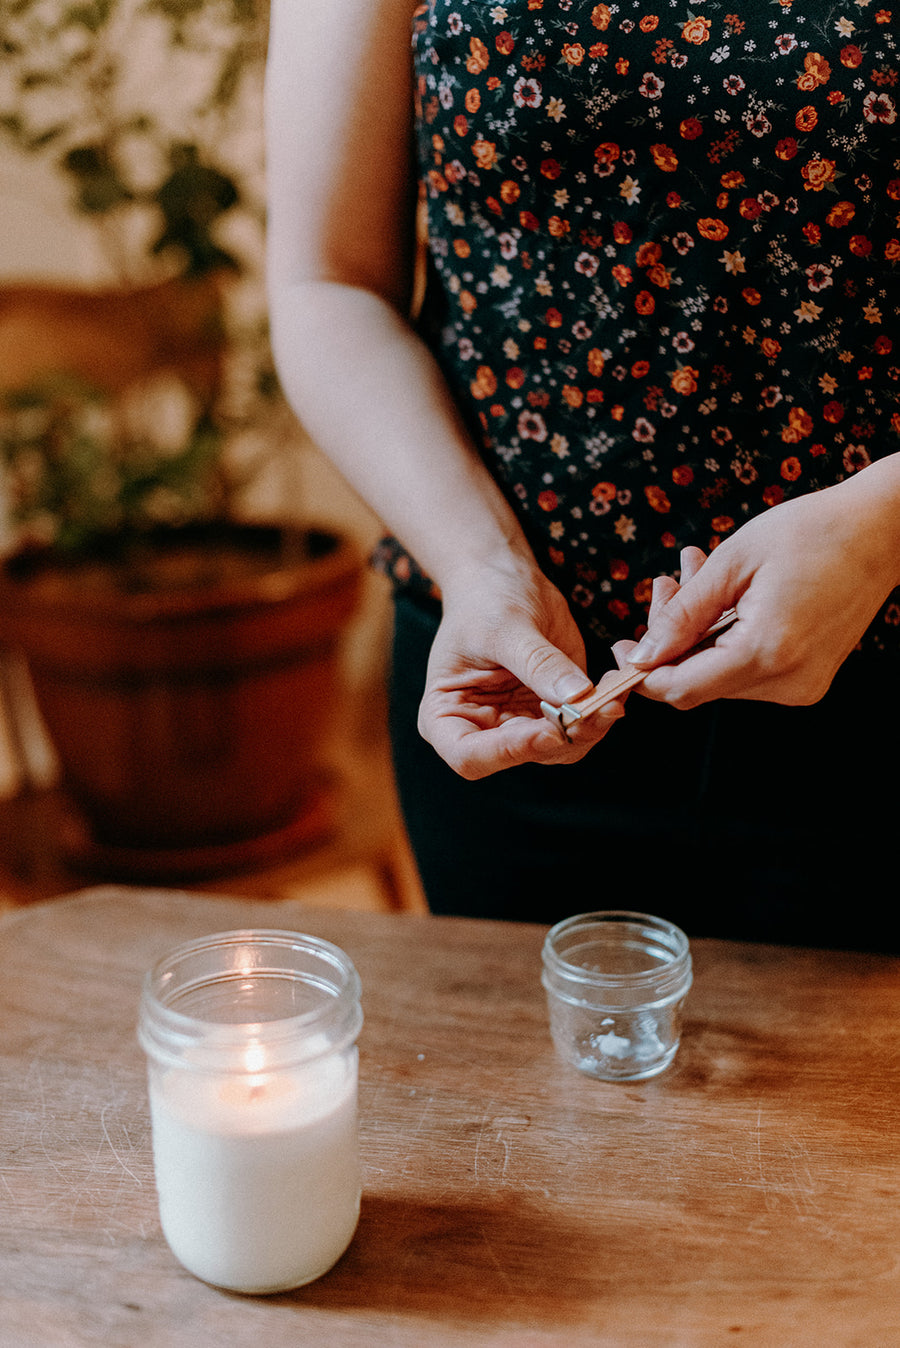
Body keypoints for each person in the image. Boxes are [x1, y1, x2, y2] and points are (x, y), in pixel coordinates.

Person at [265, 0, 900, 949]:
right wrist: (480, 566)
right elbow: (328, 282)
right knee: (521, 1093)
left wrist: (884, 525)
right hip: (517, 689)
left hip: (886, 687)